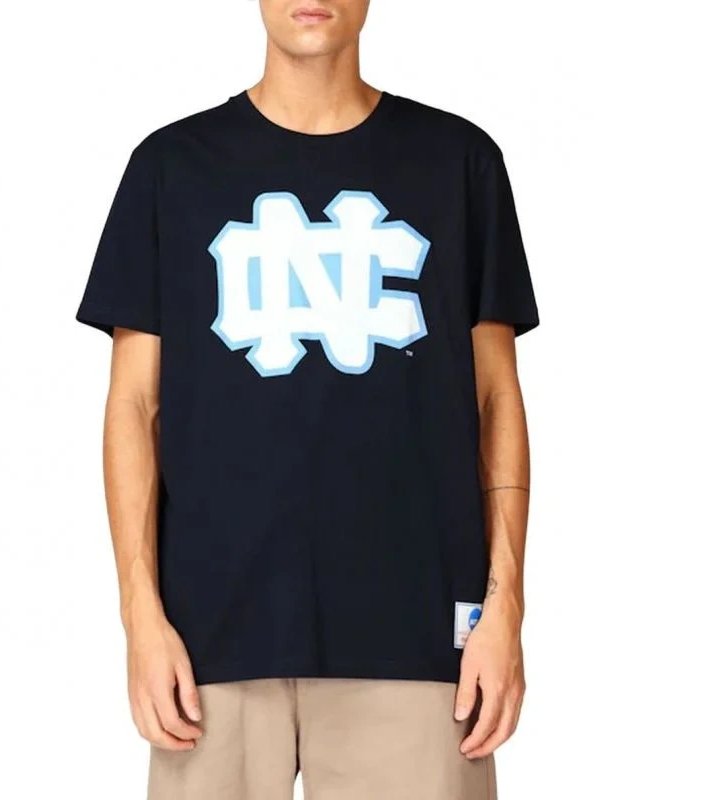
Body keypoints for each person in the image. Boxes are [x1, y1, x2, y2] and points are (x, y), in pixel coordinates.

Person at [76, 1, 538, 797]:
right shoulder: (170, 167)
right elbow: (133, 408)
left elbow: (496, 398)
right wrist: (139, 618)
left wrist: (504, 609)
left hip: (419, 639)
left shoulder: (458, 161)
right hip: (207, 643)